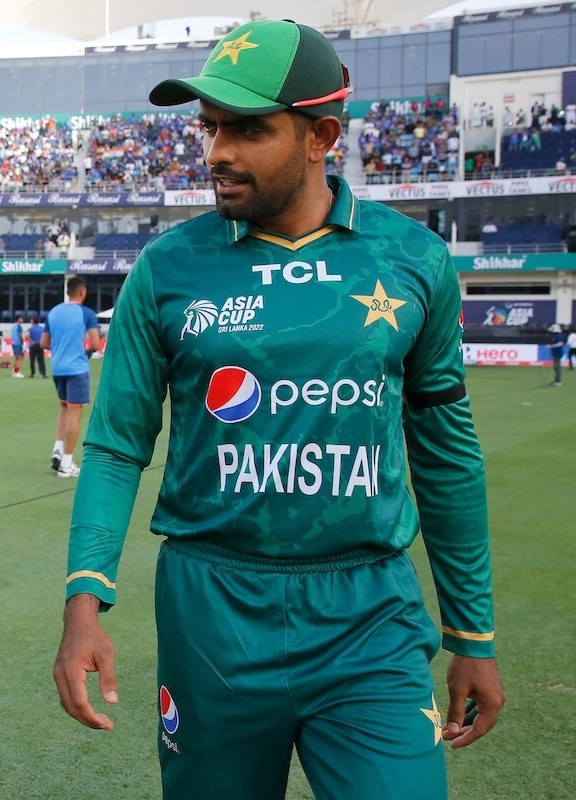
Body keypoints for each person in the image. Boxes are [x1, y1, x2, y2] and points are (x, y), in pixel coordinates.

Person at [53, 19, 504, 800]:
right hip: (211, 611)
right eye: (209, 127)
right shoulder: (166, 267)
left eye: (247, 129)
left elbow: (445, 452)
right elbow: (117, 445)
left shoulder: (412, 259)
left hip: (367, 611)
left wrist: (473, 633)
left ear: (320, 136)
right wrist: (83, 600)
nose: (217, 151)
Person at [41, 276, 100, 478]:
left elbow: (44, 343)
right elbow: (95, 344)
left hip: (58, 368)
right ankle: (66, 463)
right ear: (82, 292)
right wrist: (85, 352)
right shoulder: (87, 313)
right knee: (75, 412)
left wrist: (61, 349)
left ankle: (58, 448)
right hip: (76, 368)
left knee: (64, 407)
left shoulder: (54, 312)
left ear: (67, 292)